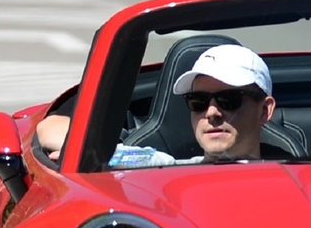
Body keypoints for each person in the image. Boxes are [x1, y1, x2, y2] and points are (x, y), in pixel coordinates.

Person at [32, 43, 279, 168]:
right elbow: (50, 129)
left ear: (264, 110)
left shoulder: (298, 177)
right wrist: (85, 150)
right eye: (198, 102)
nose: (212, 112)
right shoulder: (161, 167)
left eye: (229, 100)